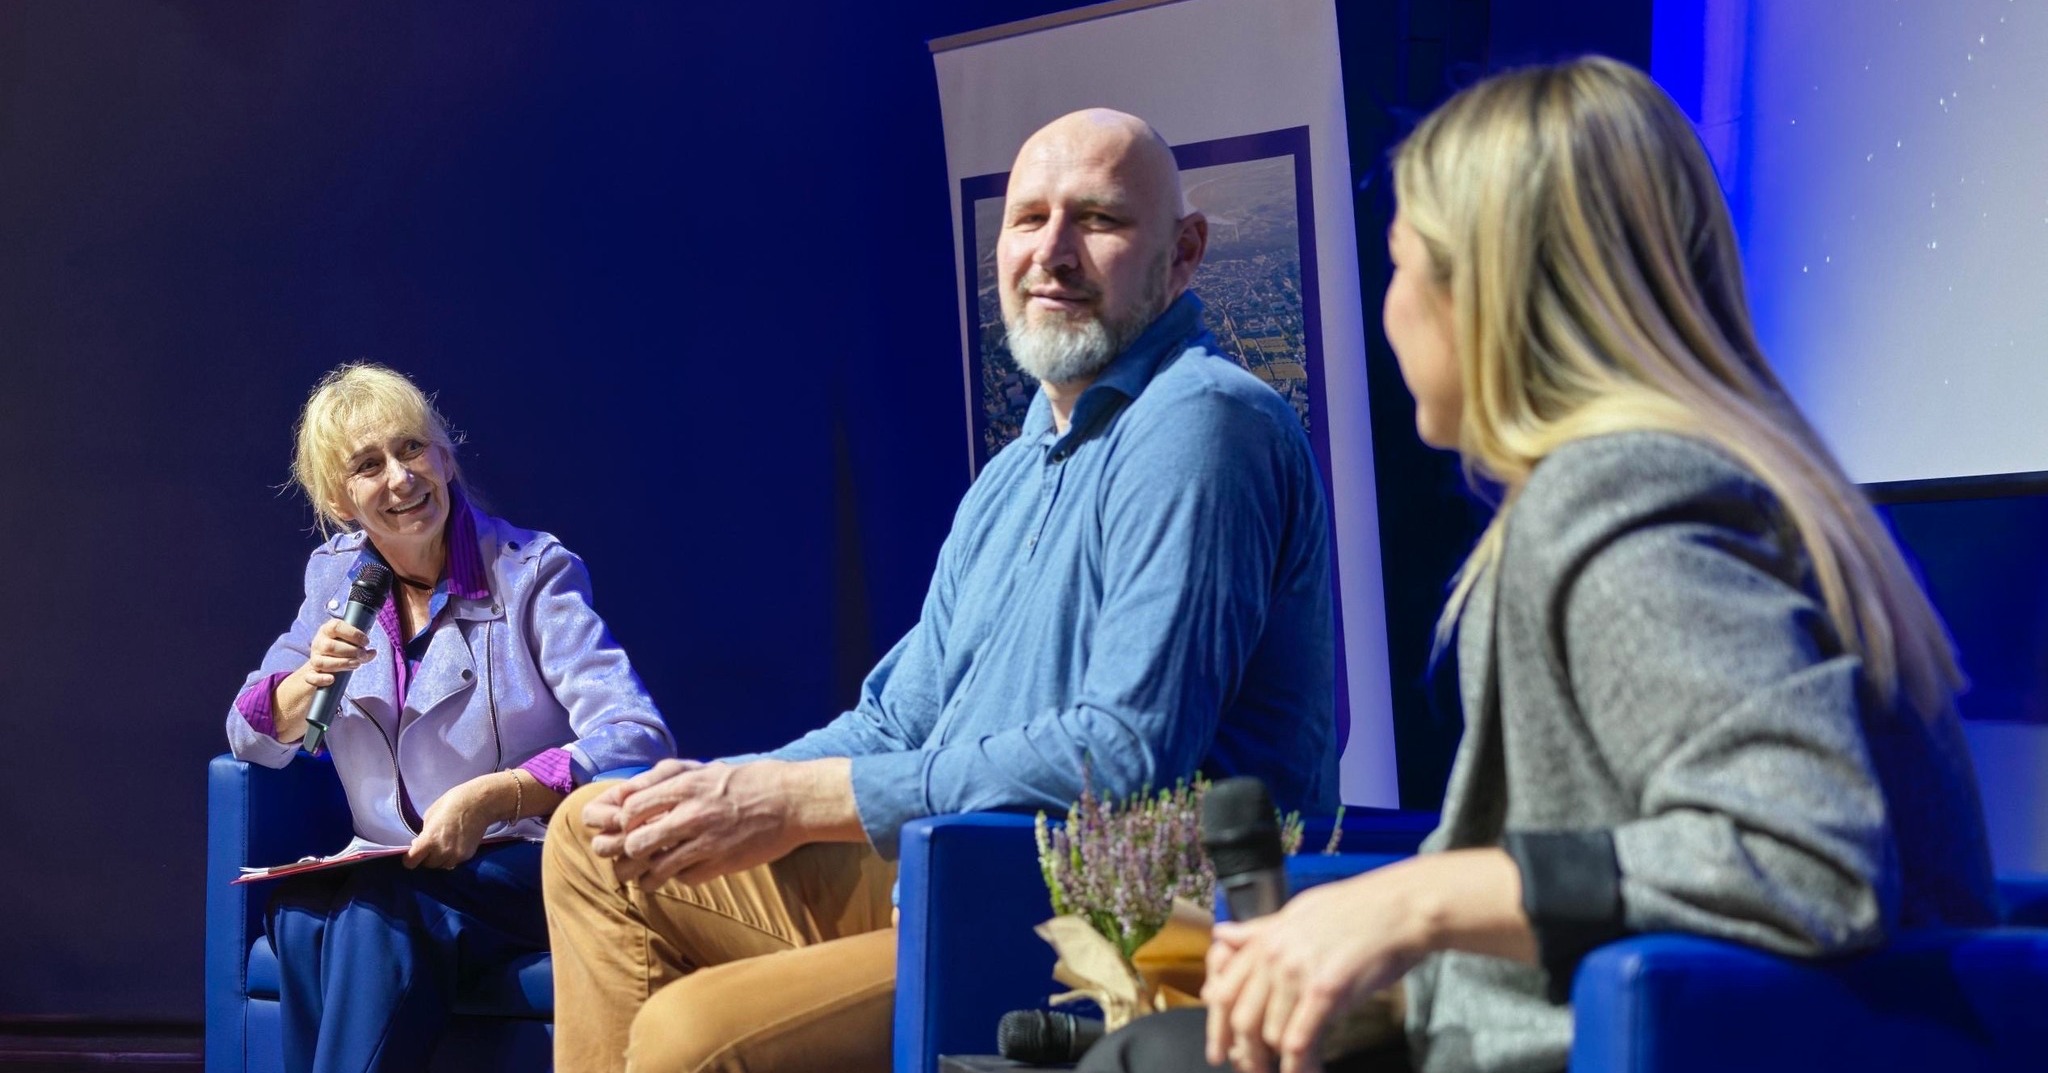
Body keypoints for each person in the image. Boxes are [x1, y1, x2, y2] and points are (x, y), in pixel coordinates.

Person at [1079, 56, 1998, 1073]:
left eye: (1401, 265)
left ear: (1486, 293)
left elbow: (1803, 854)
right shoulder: (1709, 486)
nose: (1389, 309)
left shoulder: (1621, 505)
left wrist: (1415, 902)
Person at [541, 107, 1340, 1073]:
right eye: (1028, 219)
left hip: (1107, 923)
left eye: (1098, 219)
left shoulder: (1202, 423)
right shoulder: (1015, 471)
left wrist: (793, 799)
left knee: (689, 1035)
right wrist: (724, 790)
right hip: (947, 875)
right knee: (597, 835)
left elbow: (1126, 752)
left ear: (1184, 252)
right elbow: (897, 720)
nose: (1052, 252)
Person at [226, 363, 675, 1073]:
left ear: (445, 457)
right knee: (302, 915)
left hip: (525, 860)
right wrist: (306, 682)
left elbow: (636, 736)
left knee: (379, 911)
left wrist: (500, 795)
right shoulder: (336, 577)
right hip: (394, 865)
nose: (401, 478)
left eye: (412, 448)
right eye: (369, 465)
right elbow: (247, 726)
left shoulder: (532, 572)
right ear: (341, 500)